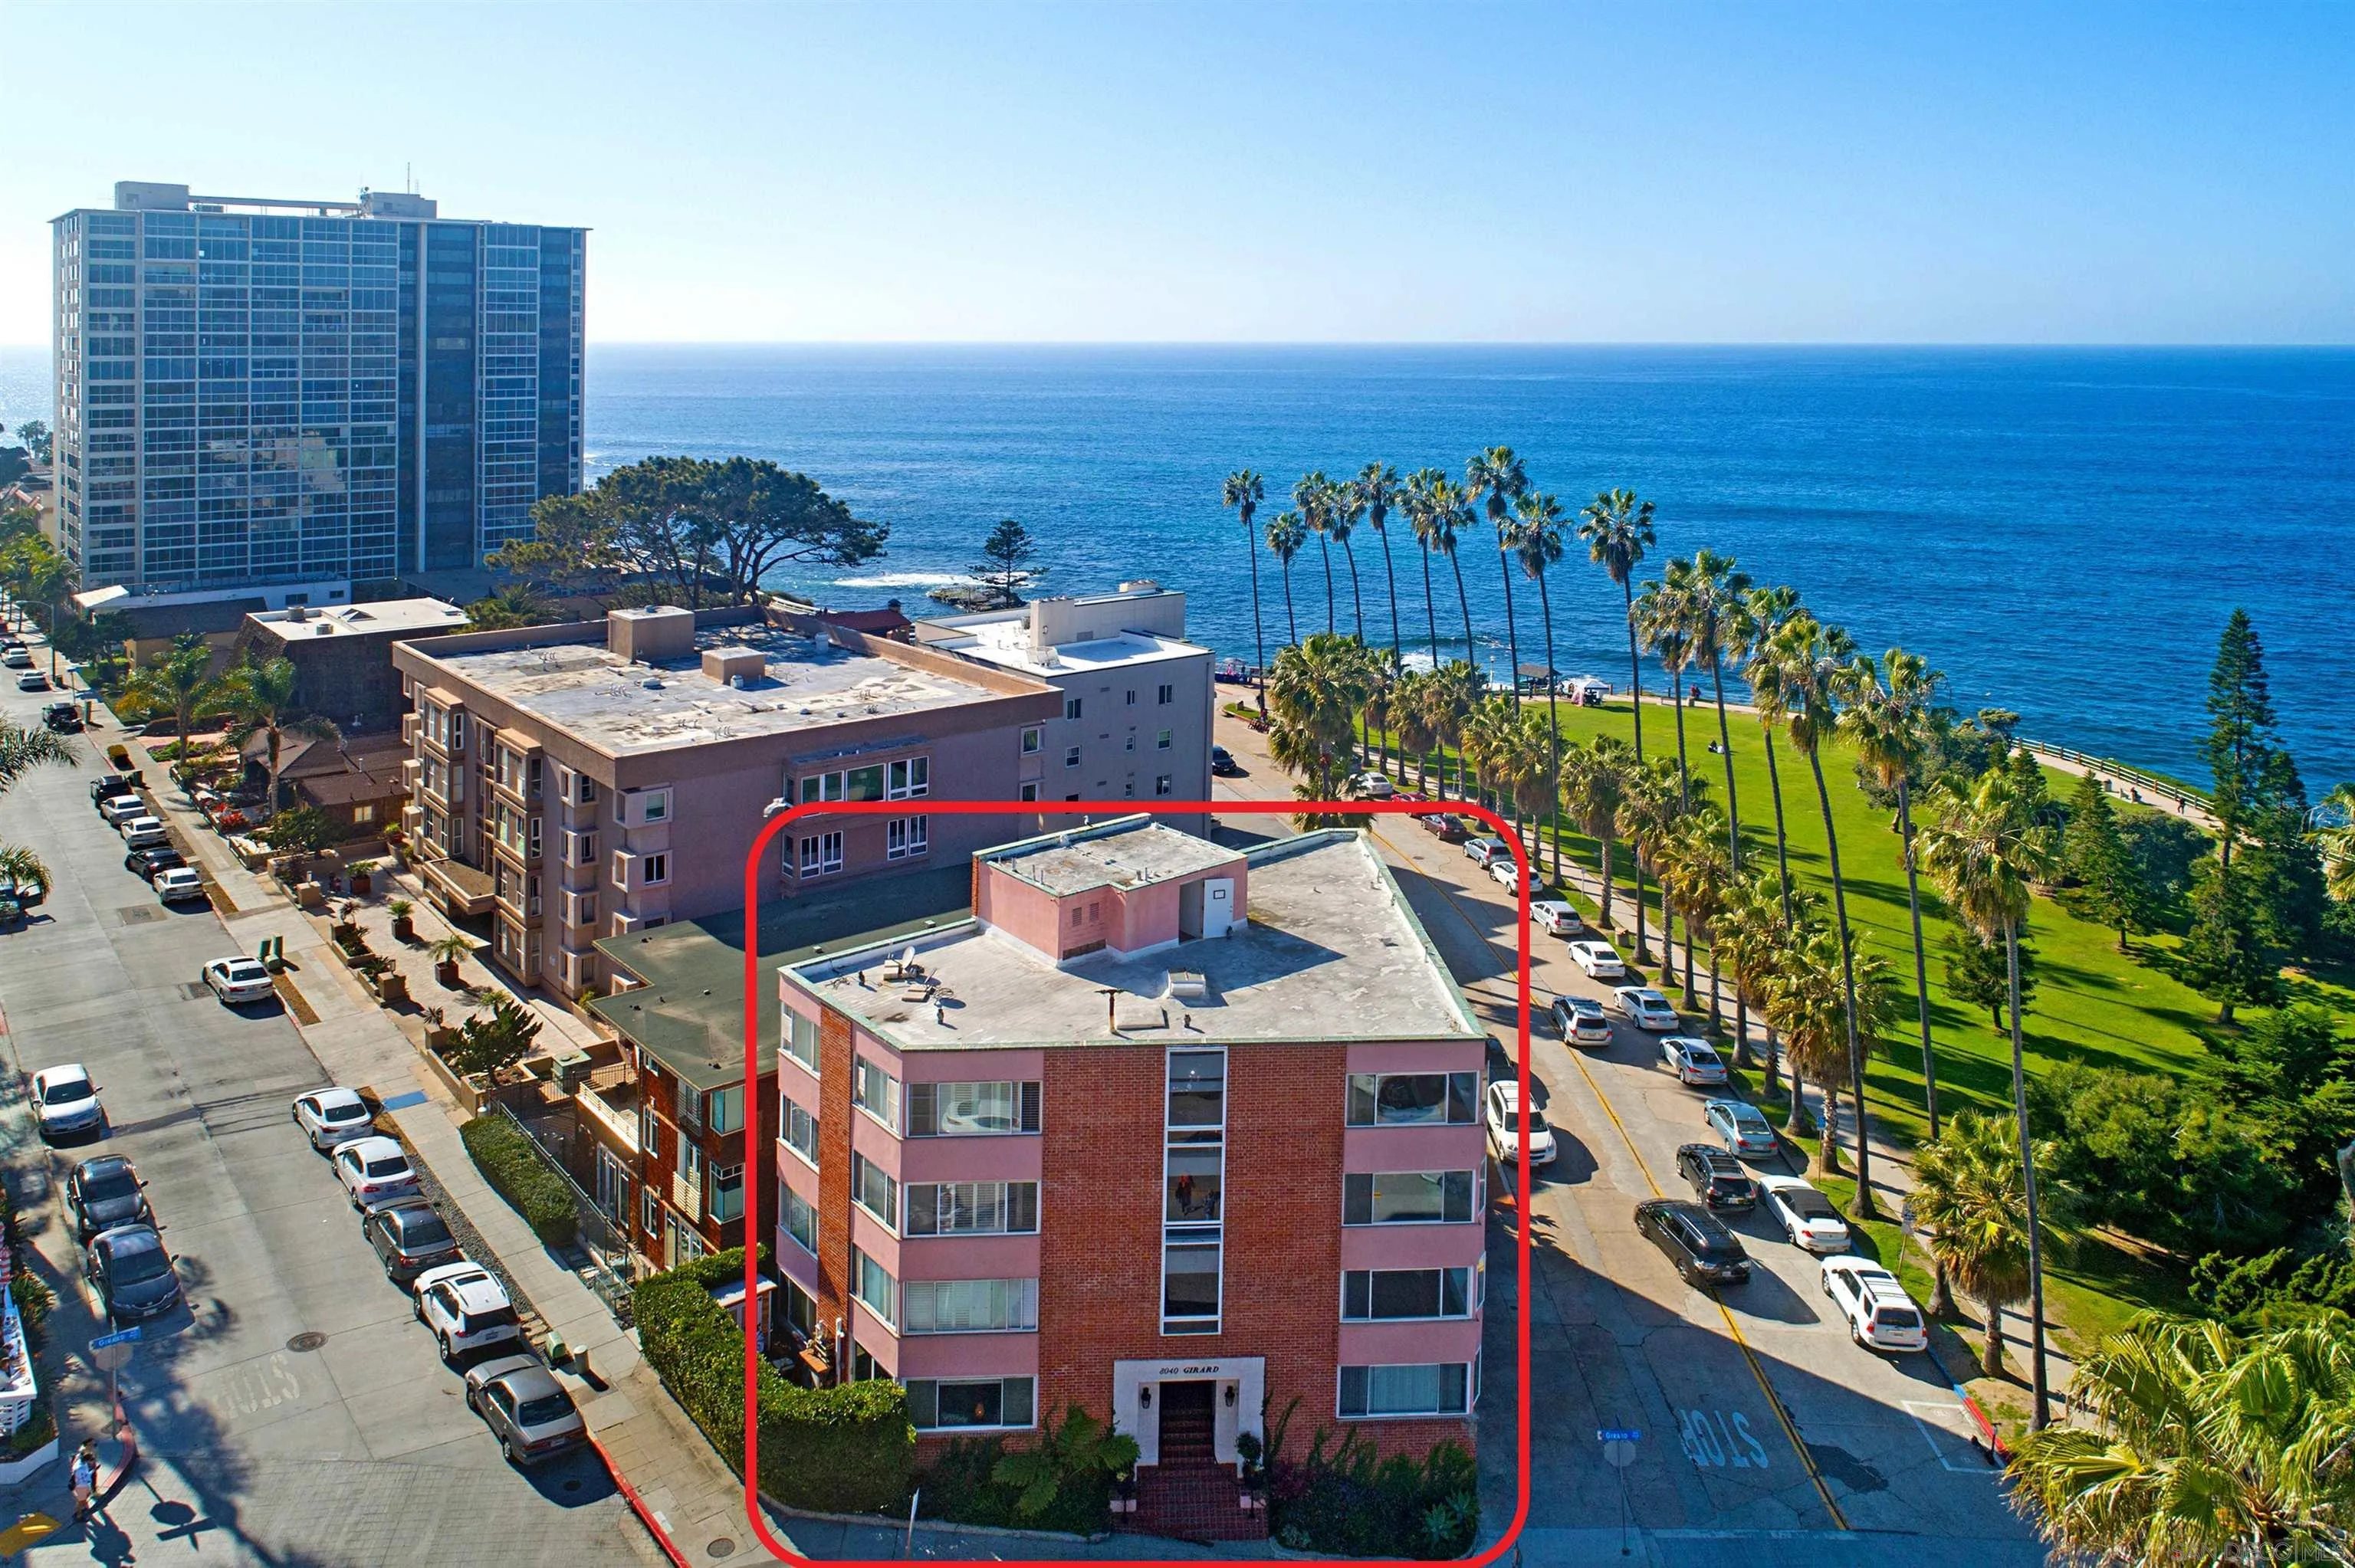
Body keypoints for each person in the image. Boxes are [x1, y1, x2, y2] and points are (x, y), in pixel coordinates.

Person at [68, 1441, 97, 1522]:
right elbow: (84, 1477)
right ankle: (78, 1515)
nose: (92, 1462)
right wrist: (92, 1472)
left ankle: (82, 1509)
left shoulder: (82, 1463)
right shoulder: (80, 1468)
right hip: (81, 1486)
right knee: (80, 1501)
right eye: (92, 1460)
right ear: (88, 1460)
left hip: (83, 1485)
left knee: (86, 1496)